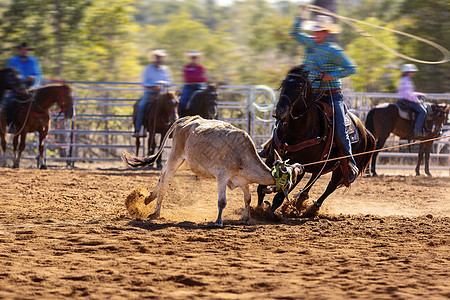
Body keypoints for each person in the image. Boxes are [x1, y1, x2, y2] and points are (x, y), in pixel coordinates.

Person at [290, 12, 358, 183]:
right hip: (311, 93)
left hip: (331, 95)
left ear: (326, 32)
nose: (315, 34)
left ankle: (350, 164)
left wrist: (331, 75)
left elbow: (351, 68)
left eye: (319, 31)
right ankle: (271, 146)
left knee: (340, 129)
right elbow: (294, 33)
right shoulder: (309, 42)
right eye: (314, 30)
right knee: (286, 111)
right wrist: (301, 17)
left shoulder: (334, 51)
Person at [133, 49, 173, 138]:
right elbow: (145, 82)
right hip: (150, 92)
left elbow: (169, 82)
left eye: (160, 57)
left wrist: (163, 83)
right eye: (157, 57)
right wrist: (153, 86)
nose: (159, 59)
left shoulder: (165, 70)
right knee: (141, 105)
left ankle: (172, 129)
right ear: (154, 58)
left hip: (162, 93)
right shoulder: (148, 69)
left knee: (173, 104)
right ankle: (138, 128)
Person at [398, 64, 427, 138]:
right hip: (406, 100)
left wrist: (420, 94)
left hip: (404, 99)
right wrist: (417, 101)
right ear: (408, 72)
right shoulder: (406, 80)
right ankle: (417, 131)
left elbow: (410, 93)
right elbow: (408, 94)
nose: (413, 73)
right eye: (412, 71)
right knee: (423, 111)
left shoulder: (405, 79)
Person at [178, 50, 207, 116]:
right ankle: (180, 116)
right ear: (190, 58)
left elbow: (204, 78)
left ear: (197, 58)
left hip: (199, 86)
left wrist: (193, 77)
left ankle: (211, 116)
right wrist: (197, 78)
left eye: (195, 57)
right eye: (192, 57)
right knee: (182, 101)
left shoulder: (200, 67)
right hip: (189, 86)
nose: (194, 59)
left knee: (209, 99)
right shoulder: (186, 67)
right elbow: (188, 79)